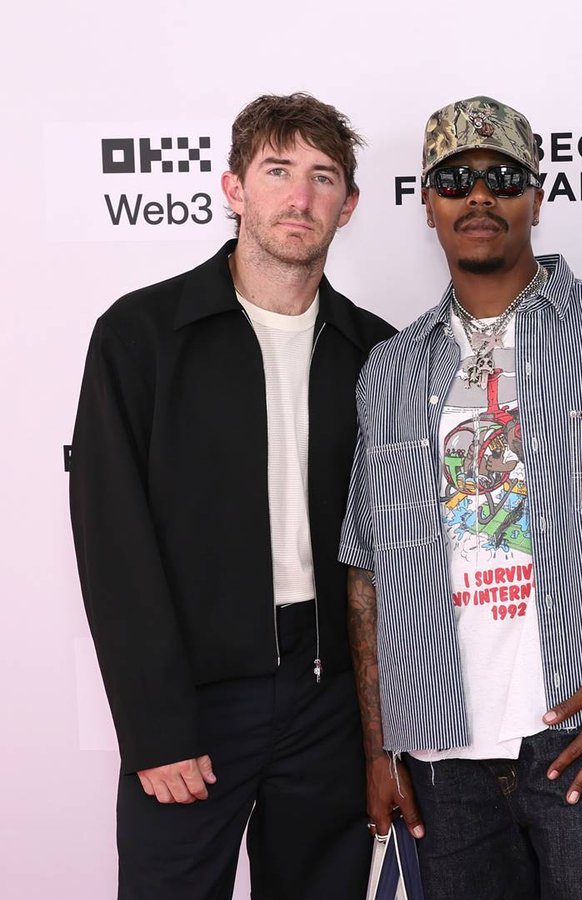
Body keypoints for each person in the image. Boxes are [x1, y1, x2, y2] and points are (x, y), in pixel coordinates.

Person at [339, 95, 582, 900]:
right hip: (443, 756)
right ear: (427, 203)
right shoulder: (389, 369)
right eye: (455, 178)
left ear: (537, 195)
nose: (478, 194)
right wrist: (379, 749)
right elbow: (366, 570)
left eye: (501, 176)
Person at [69, 93, 393, 898]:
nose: (301, 197)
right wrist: (155, 726)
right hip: (195, 698)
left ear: (348, 206)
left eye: (324, 178)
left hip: (329, 702)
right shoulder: (139, 336)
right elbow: (112, 542)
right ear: (233, 188)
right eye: (277, 171)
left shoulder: (377, 351)